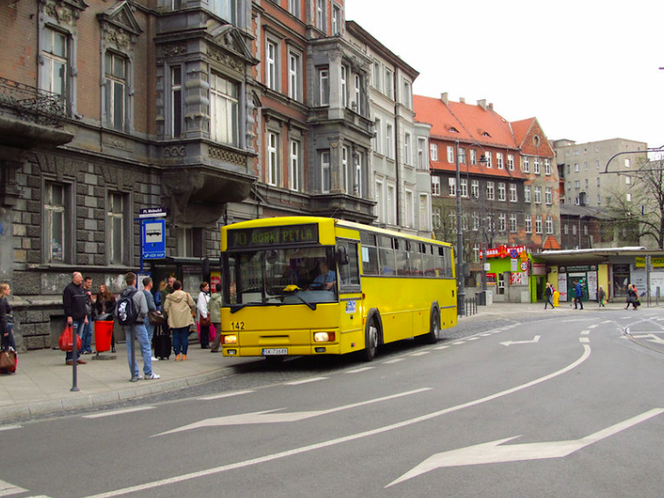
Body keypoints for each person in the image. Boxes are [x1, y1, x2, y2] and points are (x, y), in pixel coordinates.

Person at [116, 272, 160, 381]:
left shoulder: (121, 295)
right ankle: (148, 373)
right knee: (145, 346)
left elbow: (117, 311)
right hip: (138, 323)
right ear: (134, 281)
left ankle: (135, 374)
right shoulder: (139, 294)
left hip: (127, 324)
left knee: (130, 349)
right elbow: (144, 310)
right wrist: (140, 317)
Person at [164, 280, 195, 361]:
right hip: (185, 319)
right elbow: (192, 304)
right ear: (180, 287)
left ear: (173, 287)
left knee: (175, 337)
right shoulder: (186, 295)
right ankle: (184, 354)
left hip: (174, 320)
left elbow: (165, 308)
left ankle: (177, 354)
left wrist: (170, 313)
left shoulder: (170, 297)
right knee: (184, 337)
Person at [62, 272, 88, 366]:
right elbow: (67, 304)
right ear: (75, 278)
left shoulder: (81, 289)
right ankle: (69, 358)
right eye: (80, 277)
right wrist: (69, 316)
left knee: (78, 339)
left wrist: (85, 316)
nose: (81, 279)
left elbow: (84, 304)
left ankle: (77, 357)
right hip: (73, 318)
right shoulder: (69, 289)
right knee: (71, 339)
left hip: (81, 317)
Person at [94, 283, 117, 353]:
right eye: (100, 288)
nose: (101, 289)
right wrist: (100, 311)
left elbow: (113, 306)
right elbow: (97, 305)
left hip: (109, 315)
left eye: (102, 288)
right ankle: (102, 346)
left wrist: (107, 311)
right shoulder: (99, 296)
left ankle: (112, 346)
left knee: (110, 331)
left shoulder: (111, 296)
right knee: (101, 332)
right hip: (101, 315)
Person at [142, 277, 160, 361]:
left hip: (144, 316)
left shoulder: (142, 293)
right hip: (149, 316)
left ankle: (144, 353)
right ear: (149, 284)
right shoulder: (148, 294)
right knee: (149, 336)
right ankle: (148, 355)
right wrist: (156, 311)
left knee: (145, 335)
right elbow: (151, 305)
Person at [0, 283, 16, 352]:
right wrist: (6, 329)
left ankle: (6, 361)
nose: (10, 290)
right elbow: (2, 315)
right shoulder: (2, 300)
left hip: (6, 324)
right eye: (8, 289)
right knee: (11, 346)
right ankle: (8, 361)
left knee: (5, 345)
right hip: (6, 325)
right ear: (3, 290)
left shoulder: (3, 299)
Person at [81, 276, 94, 354]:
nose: (90, 284)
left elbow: (92, 302)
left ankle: (88, 347)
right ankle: (82, 349)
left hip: (89, 313)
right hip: (84, 314)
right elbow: (83, 305)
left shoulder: (88, 291)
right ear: (84, 282)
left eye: (91, 283)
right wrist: (85, 316)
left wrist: (90, 296)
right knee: (84, 332)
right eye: (88, 282)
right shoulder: (82, 291)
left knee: (89, 331)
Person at [209, 283, 223, 353]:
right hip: (219, 318)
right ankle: (214, 347)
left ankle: (218, 345)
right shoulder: (221, 298)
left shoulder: (211, 298)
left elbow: (208, 307)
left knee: (219, 332)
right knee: (219, 333)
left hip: (213, 317)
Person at [197, 281, 211, 349]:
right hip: (204, 314)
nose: (208, 287)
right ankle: (204, 343)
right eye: (207, 286)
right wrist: (205, 315)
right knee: (204, 330)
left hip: (207, 313)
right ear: (203, 287)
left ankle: (206, 343)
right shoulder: (201, 295)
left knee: (206, 329)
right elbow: (201, 306)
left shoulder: (207, 295)